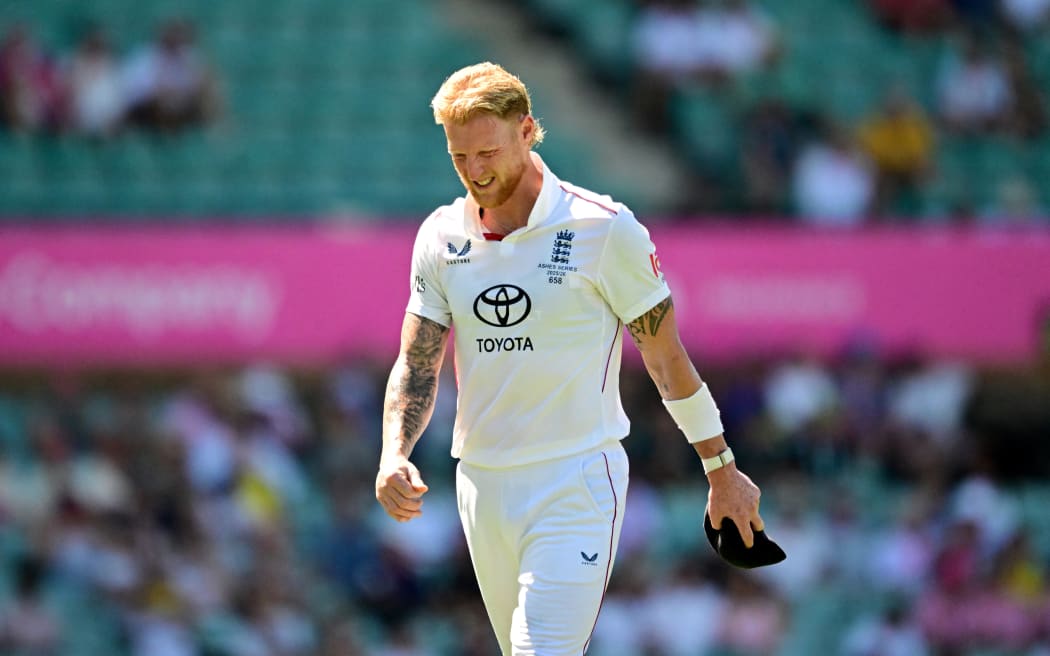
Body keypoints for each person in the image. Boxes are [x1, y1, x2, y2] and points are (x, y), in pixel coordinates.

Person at [374, 62, 766, 655]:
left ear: (527, 130)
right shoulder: (439, 236)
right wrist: (393, 454)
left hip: (576, 480)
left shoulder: (604, 230)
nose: (475, 172)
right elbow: (418, 361)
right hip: (481, 483)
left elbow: (666, 360)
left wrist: (722, 466)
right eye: (460, 158)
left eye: (487, 152)